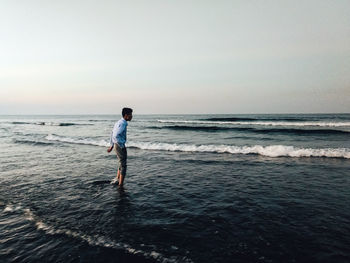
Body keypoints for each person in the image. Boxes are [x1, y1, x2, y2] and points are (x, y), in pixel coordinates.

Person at [107, 108, 133, 186]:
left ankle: (117, 179)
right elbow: (115, 135)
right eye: (130, 115)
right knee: (123, 165)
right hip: (119, 146)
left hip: (116, 145)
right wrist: (121, 144)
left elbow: (112, 133)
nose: (132, 116)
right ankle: (120, 185)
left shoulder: (118, 122)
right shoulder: (123, 123)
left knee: (121, 163)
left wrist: (111, 145)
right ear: (126, 115)